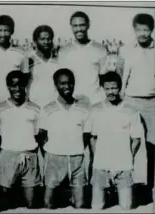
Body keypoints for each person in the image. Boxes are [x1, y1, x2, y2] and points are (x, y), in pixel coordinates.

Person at [87, 72, 142, 210]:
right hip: (101, 165)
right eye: (107, 88)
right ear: (102, 89)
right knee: (96, 207)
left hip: (123, 166)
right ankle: (107, 193)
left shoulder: (131, 111)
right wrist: (97, 158)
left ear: (120, 88)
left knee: (126, 207)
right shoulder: (95, 110)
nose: (111, 92)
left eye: (114, 88)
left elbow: (136, 139)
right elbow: (93, 138)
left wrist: (128, 158)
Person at [39, 68, 90, 209]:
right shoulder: (47, 109)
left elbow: (86, 134)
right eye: (62, 83)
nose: (67, 86)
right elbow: (42, 134)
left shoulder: (84, 108)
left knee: (80, 205)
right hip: (54, 157)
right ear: (56, 85)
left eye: (70, 83)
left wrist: (76, 148)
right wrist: (50, 152)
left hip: (76, 158)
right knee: (48, 204)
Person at [121, 13, 155, 208]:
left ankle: (149, 187)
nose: (142, 33)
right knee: (129, 146)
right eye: (139, 29)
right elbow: (122, 78)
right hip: (131, 101)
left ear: (152, 30)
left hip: (152, 103)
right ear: (134, 30)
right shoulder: (126, 51)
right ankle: (127, 186)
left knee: (151, 147)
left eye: (146, 29)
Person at [0, 70, 42, 210]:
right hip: (8, 155)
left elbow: (39, 134)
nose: (17, 88)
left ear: (25, 85)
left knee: (31, 204)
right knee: (6, 203)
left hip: (29, 156)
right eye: (13, 85)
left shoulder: (35, 108)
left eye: (20, 85)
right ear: (8, 86)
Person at [58, 11, 108, 105]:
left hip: (95, 101)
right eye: (75, 26)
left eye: (82, 25)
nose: (79, 29)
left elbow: (103, 78)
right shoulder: (63, 51)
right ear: (71, 27)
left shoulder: (100, 49)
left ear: (88, 25)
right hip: (73, 102)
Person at [28, 25, 61, 107]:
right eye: (42, 39)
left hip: (54, 107)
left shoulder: (58, 61)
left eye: (48, 39)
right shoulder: (28, 61)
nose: (46, 42)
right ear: (35, 41)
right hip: (34, 106)